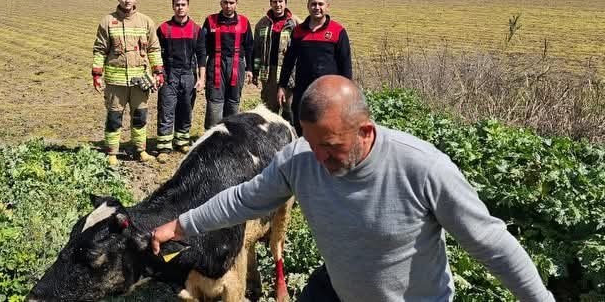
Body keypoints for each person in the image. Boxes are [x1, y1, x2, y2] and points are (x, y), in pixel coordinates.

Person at [151, 75, 555, 302]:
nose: (320, 159)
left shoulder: (423, 168)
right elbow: (241, 200)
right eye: (311, 143)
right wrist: (180, 226)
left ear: (365, 130)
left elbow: (491, 242)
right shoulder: (300, 160)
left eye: (331, 146)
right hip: (339, 287)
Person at [92, 0, 164, 165]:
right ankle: (112, 152)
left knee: (140, 116)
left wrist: (158, 72)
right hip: (116, 82)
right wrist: (96, 74)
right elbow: (100, 50)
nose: (127, 1)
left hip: (140, 81)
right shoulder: (107, 21)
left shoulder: (146, 22)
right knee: (114, 118)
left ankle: (140, 150)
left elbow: (154, 49)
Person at [277, 0, 351, 135]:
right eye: (313, 4)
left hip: (329, 94)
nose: (317, 8)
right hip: (303, 92)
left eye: (320, 4)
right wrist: (282, 86)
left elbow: (346, 64)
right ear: (308, 6)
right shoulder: (298, 31)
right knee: (302, 127)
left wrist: (347, 93)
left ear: (327, 6)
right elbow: (289, 61)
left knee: (327, 130)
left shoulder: (338, 31)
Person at [155, 0, 206, 162]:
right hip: (169, 75)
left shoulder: (196, 29)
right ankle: (164, 147)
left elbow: (201, 55)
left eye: (183, 4)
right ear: (173, 7)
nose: (180, 7)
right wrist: (159, 73)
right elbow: (156, 54)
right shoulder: (163, 29)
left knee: (186, 109)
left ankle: (182, 141)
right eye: (177, 4)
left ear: (188, 7)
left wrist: (201, 78)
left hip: (188, 74)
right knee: (167, 110)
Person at [199, 0, 254, 129]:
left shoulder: (244, 21)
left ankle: (231, 134)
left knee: (233, 101)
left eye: (231, 3)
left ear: (236, 4)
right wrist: (202, 74)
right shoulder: (210, 21)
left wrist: (249, 69)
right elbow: (202, 47)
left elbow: (249, 47)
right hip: (216, 65)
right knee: (215, 101)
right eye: (225, 2)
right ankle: (212, 134)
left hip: (237, 65)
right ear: (220, 3)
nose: (228, 6)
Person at [252, 0, 300, 122]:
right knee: (269, 110)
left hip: (290, 73)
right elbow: (257, 50)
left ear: (286, 3)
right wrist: (255, 71)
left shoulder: (295, 23)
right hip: (269, 73)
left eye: (280, 1)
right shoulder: (262, 24)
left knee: (288, 107)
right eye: (274, 2)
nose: (278, 5)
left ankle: (292, 137)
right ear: (270, 3)